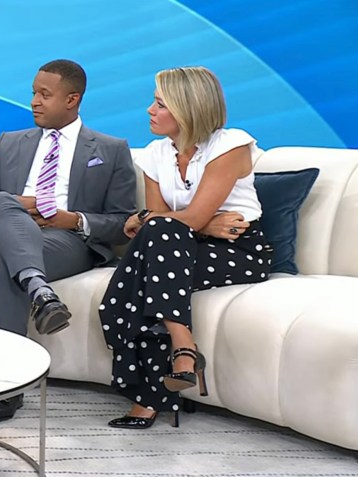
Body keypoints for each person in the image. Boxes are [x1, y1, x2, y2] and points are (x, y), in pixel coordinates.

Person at [0, 59, 138, 423]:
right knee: (0, 201)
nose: (34, 102)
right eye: (33, 93)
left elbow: (123, 224)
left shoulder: (111, 149)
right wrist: (24, 205)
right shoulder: (8, 144)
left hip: (64, 240)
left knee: (4, 261)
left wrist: (73, 219)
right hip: (2, 231)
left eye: (45, 94)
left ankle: (6, 386)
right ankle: (39, 290)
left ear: (72, 99)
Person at [100, 66, 273, 429]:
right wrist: (197, 222)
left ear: (188, 109)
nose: (149, 110)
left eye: (160, 104)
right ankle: (182, 354)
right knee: (158, 254)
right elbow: (163, 220)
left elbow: (172, 219)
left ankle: (152, 393)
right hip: (177, 246)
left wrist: (180, 221)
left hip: (238, 250)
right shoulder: (154, 154)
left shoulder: (230, 145)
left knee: (146, 271)